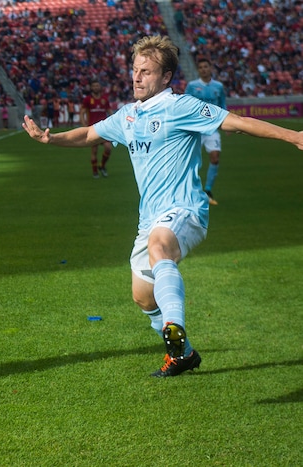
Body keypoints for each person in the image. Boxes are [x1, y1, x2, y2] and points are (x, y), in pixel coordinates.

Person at [22, 35, 303, 378]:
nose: (137, 77)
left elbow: (239, 123)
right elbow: (88, 134)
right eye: (135, 70)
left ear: (166, 77)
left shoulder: (181, 107)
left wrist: (294, 136)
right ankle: (182, 353)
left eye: (146, 72)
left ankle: (175, 324)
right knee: (143, 296)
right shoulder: (128, 116)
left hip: (185, 209)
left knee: (160, 248)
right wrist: (50, 138)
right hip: (150, 217)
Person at [185, 57, 227, 205]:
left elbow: (222, 104)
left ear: (210, 68)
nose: (203, 69)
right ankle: (189, 190)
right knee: (191, 161)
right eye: (201, 67)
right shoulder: (192, 86)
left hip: (212, 128)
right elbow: (185, 104)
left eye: (205, 67)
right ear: (198, 70)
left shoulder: (218, 86)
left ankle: (208, 190)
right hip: (196, 129)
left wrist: (226, 123)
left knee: (215, 157)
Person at [80, 79, 113, 178]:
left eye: (97, 86)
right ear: (91, 88)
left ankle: (102, 166)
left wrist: (114, 122)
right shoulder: (87, 100)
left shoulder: (104, 99)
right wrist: (84, 125)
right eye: (94, 86)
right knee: (94, 151)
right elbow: (82, 112)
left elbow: (110, 111)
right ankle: (95, 172)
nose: (96, 87)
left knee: (108, 148)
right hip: (93, 129)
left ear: (100, 87)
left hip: (104, 129)